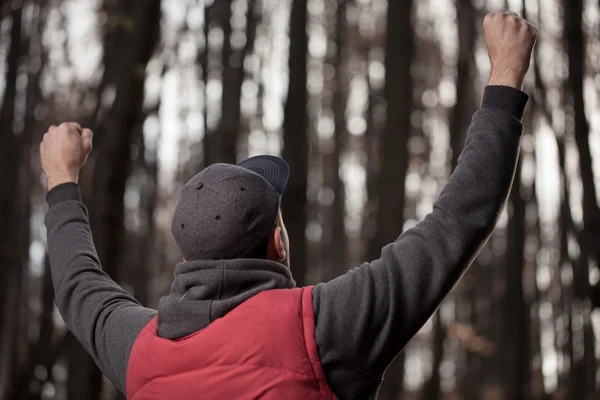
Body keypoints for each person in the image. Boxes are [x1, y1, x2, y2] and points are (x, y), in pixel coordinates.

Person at [40, 10, 537, 400]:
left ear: (191, 257)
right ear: (277, 242)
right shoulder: (323, 327)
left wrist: (62, 178)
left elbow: (76, 283)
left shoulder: (138, 349)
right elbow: (457, 222)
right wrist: (505, 74)